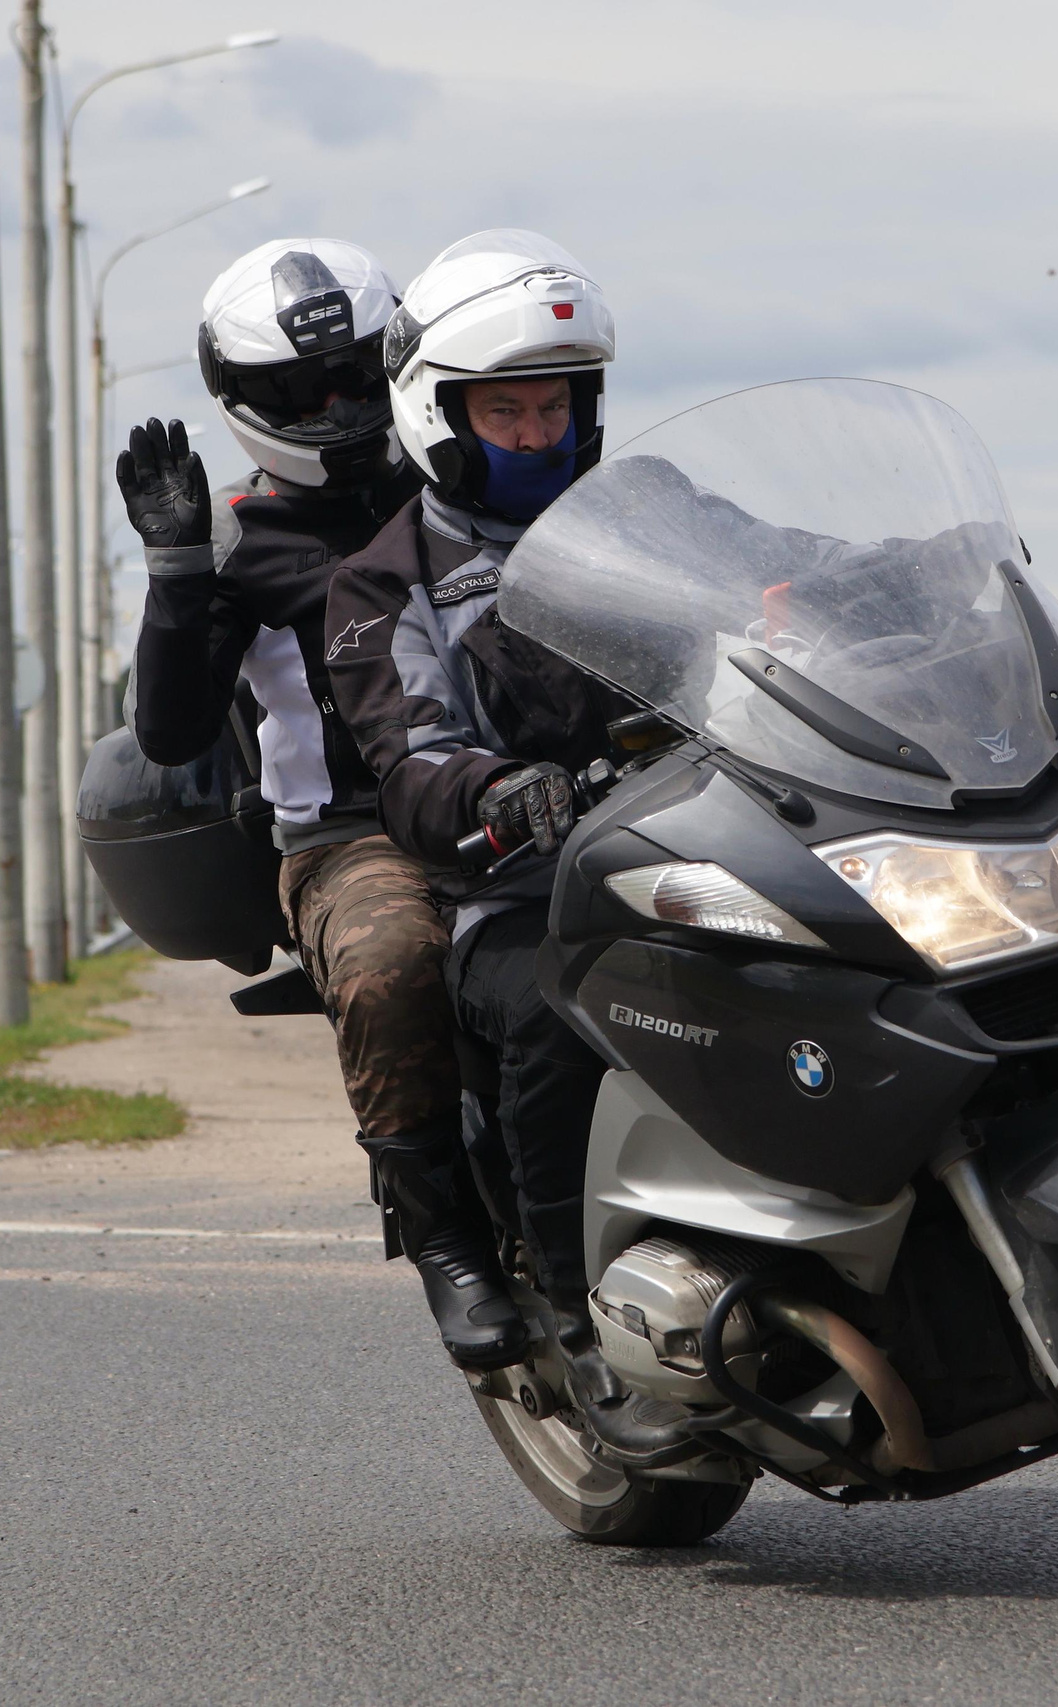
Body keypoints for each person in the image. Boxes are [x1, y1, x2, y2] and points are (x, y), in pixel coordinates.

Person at [120, 238, 524, 1372]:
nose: (341, 408)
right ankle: (446, 1240)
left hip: (510, 790)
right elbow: (170, 732)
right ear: (250, 403)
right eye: (305, 392)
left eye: (357, 375)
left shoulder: (471, 484)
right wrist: (176, 574)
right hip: (355, 842)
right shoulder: (244, 546)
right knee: (394, 963)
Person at [326, 230, 689, 1460]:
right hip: (533, 888)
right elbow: (409, 758)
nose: (539, 432)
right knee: (549, 1006)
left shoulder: (650, 508)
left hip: (707, 845)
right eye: (510, 410)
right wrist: (499, 790)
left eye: (556, 405)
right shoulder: (388, 582)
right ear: (440, 412)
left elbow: (786, 579)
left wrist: (903, 585)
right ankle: (577, 1305)